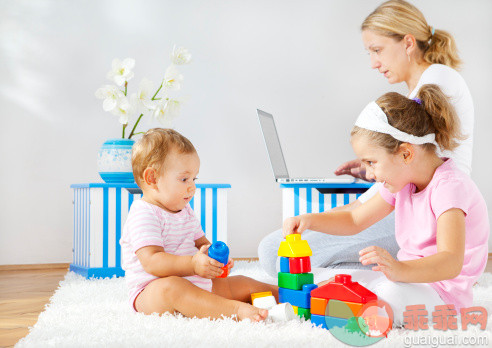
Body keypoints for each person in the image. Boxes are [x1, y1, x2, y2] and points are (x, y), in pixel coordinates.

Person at [258, 0, 474, 277]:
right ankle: (378, 275)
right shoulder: (422, 87)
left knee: (283, 258)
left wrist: (376, 178)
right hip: (402, 200)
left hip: (426, 213)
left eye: (377, 50)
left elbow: (426, 164)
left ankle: (400, 274)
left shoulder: (437, 81)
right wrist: (374, 165)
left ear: (408, 43)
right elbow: (412, 158)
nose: (373, 63)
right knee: (275, 251)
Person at [283, 84, 488, 326]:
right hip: (406, 279)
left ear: (406, 154)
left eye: (372, 162)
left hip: (443, 295)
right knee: (332, 281)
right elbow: (354, 219)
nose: (369, 174)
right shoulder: (402, 182)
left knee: (382, 298)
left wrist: (398, 269)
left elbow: (450, 262)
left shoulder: (449, 187)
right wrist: (310, 220)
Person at [120, 128, 278, 321]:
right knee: (173, 288)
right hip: (152, 292)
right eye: (184, 179)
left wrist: (213, 259)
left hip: (194, 281)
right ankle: (234, 311)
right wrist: (193, 264)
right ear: (152, 178)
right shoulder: (143, 213)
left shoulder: (185, 210)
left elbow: (201, 244)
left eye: (194, 178)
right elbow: (152, 262)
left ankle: (285, 294)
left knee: (240, 283)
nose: (192, 186)